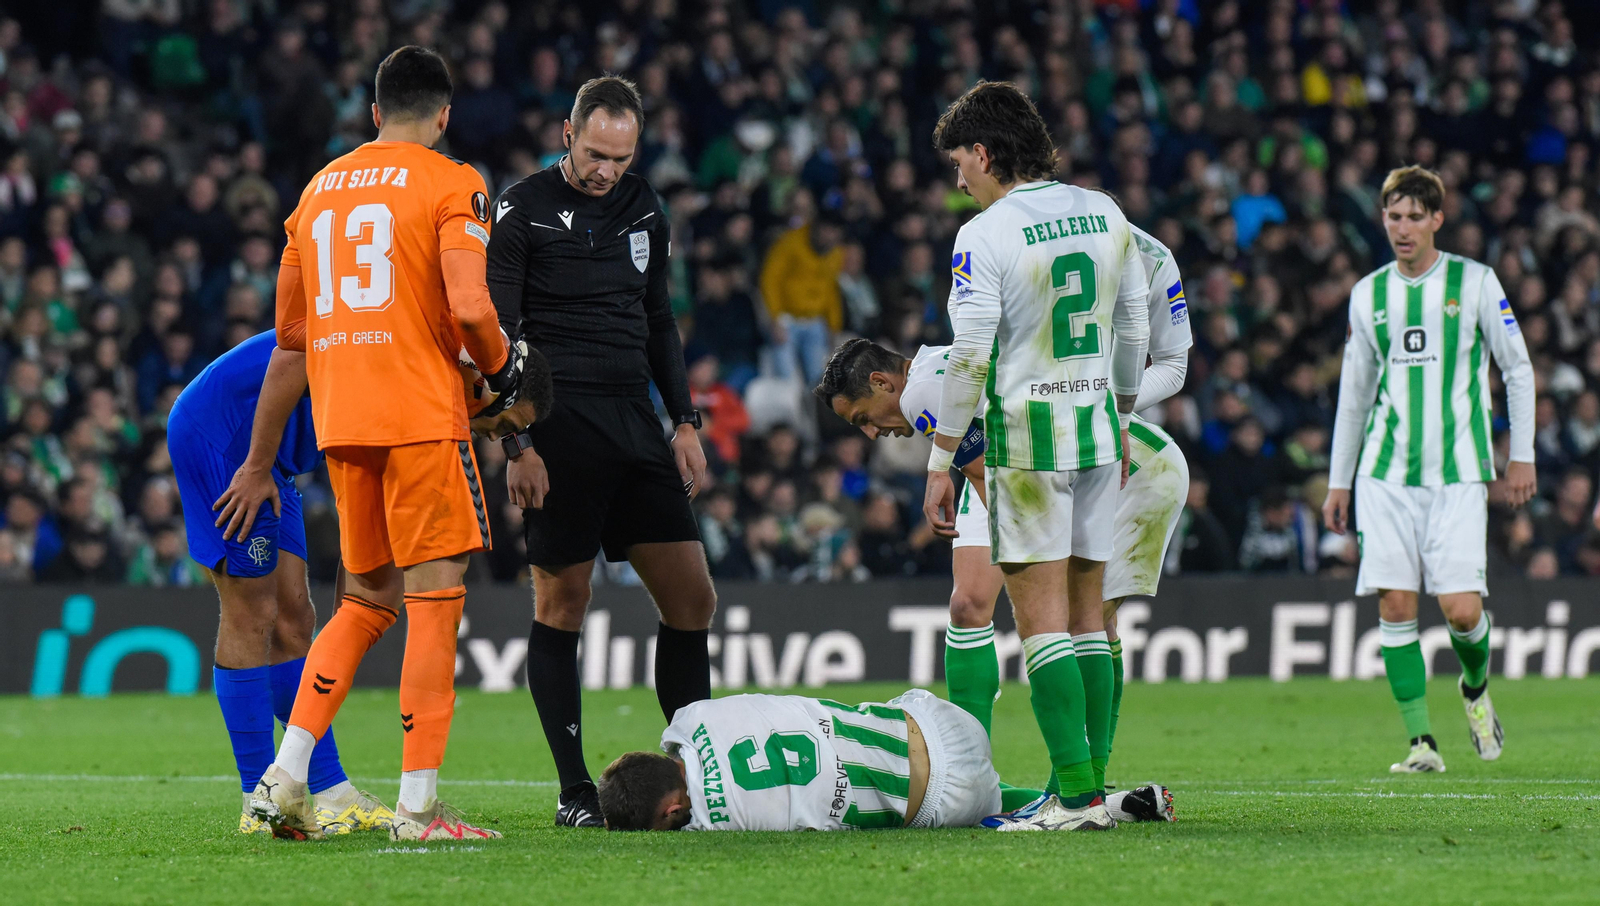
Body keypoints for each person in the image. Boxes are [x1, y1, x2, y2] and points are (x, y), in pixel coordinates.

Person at [816, 211, 1189, 822]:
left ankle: (1077, 789)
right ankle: (980, 776)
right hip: (1026, 459)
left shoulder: (925, 394)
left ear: (884, 383)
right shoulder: (938, 387)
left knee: (1080, 622)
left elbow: (1001, 494)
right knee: (969, 605)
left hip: (1112, 466)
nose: (874, 433)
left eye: (863, 417)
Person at [245, 46, 524, 842]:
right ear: (443, 114)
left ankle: (285, 775)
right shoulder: (451, 180)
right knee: (436, 602)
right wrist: (502, 373)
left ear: (373, 113)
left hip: (344, 422)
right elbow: (472, 308)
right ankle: (417, 812)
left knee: (366, 601)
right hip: (420, 417)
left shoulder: (315, 191)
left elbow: (292, 333)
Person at [485, 75, 715, 828]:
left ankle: (692, 775)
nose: (606, 170)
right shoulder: (519, 210)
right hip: (558, 427)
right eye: (594, 153)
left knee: (692, 599)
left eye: (620, 156)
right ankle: (574, 790)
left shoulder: (644, 204)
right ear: (567, 135)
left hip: (634, 424)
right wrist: (516, 440)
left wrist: (683, 421)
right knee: (563, 604)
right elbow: (496, 337)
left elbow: (659, 321)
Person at [919, 82, 1149, 831]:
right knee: (1090, 621)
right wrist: (1118, 413)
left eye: (961, 163)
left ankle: (1078, 799)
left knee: (1043, 624)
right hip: (1096, 435)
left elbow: (968, 359)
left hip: (1026, 440)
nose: (960, 182)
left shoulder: (983, 234)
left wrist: (941, 459)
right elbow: (1133, 326)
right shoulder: (1105, 209)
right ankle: (1086, 786)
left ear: (986, 153)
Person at [1323, 165, 1535, 774]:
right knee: (1395, 606)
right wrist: (1341, 480)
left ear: (1438, 219)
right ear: (1383, 219)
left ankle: (1474, 690)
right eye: (1394, 216)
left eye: (1416, 216)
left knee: (1463, 612)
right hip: (1385, 474)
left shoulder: (1475, 282)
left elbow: (1516, 369)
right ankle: (1421, 743)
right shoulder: (1369, 294)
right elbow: (1355, 396)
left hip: (1459, 473)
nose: (1404, 227)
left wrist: (1521, 455)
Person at [169, 330, 389, 836]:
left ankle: (334, 794)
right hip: (228, 445)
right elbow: (291, 359)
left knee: (297, 620)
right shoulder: (365, 322)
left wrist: (349, 619)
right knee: (253, 614)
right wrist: (257, 465)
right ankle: (258, 800)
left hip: (274, 460)